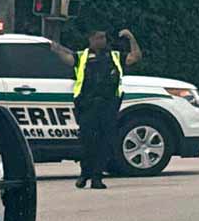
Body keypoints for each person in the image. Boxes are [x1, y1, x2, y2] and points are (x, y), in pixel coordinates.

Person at [50, 28, 142, 189]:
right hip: (87, 106)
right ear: (90, 40)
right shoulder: (81, 57)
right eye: (98, 38)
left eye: (104, 38)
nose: (102, 41)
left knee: (104, 143)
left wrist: (131, 38)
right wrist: (55, 47)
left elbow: (135, 57)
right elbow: (66, 58)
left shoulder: (114, 56)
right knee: (87, 143)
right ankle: (84, 174)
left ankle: (97, 177)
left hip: (108, 106)